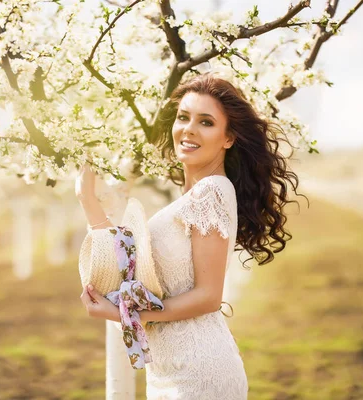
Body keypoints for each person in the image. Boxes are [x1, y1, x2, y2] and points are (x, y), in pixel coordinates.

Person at [77, 73, 303, 399]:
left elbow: (208, 297)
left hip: (199, 375)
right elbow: (128, 273)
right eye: (184, 117)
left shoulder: (210, 192)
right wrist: (89, 203)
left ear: (228, 138)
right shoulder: (190, 198)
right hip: (168, 371)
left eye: (206, 122)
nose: (189, 129)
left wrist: (122, 314)